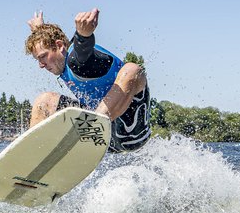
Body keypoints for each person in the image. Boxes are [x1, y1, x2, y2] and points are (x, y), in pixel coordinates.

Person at [24, 8, 151, 152]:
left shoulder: (77, 60)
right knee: (44, 101)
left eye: (42, 56)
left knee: (132, 70)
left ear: (59, 46)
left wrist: (83, 35)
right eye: (38, 59)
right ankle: (32, 154)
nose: (41, 65)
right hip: (100, 138)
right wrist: (40, 30)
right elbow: (58, 44)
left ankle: (95, 125)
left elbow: (82, 51)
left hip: (130, 135)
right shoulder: (63, 60)